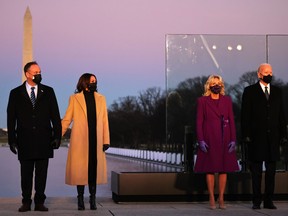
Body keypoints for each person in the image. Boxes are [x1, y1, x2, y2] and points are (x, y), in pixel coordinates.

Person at [7, 61, 62, 212]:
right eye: (35, 72)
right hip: (24, 140)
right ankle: (26, 201)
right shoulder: (15, 93)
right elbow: (11, 118)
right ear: (27, 74)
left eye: (40, 72)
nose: (39, 74)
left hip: (45, 139)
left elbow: (55, 116)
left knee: (41, 174)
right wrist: (12, 140)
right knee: (25, 174)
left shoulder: (49, 91)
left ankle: (39, 202)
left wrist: (57, 136)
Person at [241, 63, 287, 210]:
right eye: (266, 72)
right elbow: (245, 115)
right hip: (256, 138)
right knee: (256, 172)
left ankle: (269, 200)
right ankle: (256, 201)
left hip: (273, 138)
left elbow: (281, 114)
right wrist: (246, 134)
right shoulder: (249, 91)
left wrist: (283, 134)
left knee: (271, 172)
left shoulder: (278, 91)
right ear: (259, 74)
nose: (269, 74)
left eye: (271, 72)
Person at [61, 73, 110, 210]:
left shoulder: (101, 99)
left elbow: (105, 121)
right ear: (84, 82)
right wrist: (57, 135)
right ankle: (80, 198)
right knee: (81, 171)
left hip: (97, 139)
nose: (94, 83)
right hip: (80, 140)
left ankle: (93, 198)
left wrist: (106, 140)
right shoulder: (75, 98)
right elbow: (67, 119)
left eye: (95, 81)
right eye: (91, 81)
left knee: (93, 169)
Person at [194, 75, 239, 210]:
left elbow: (231, 120)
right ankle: (212, 197)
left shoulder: (227, 100)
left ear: (222, 85)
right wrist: (201, 140)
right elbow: (199, 121)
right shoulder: (202, 101)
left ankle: (221, 197)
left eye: (218, 83)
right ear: (209, 85)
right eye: (214, 83)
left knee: (224, 169)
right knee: (210, 168)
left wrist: (233, 139)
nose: (216, 85)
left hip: (224, 137)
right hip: (209, 137)